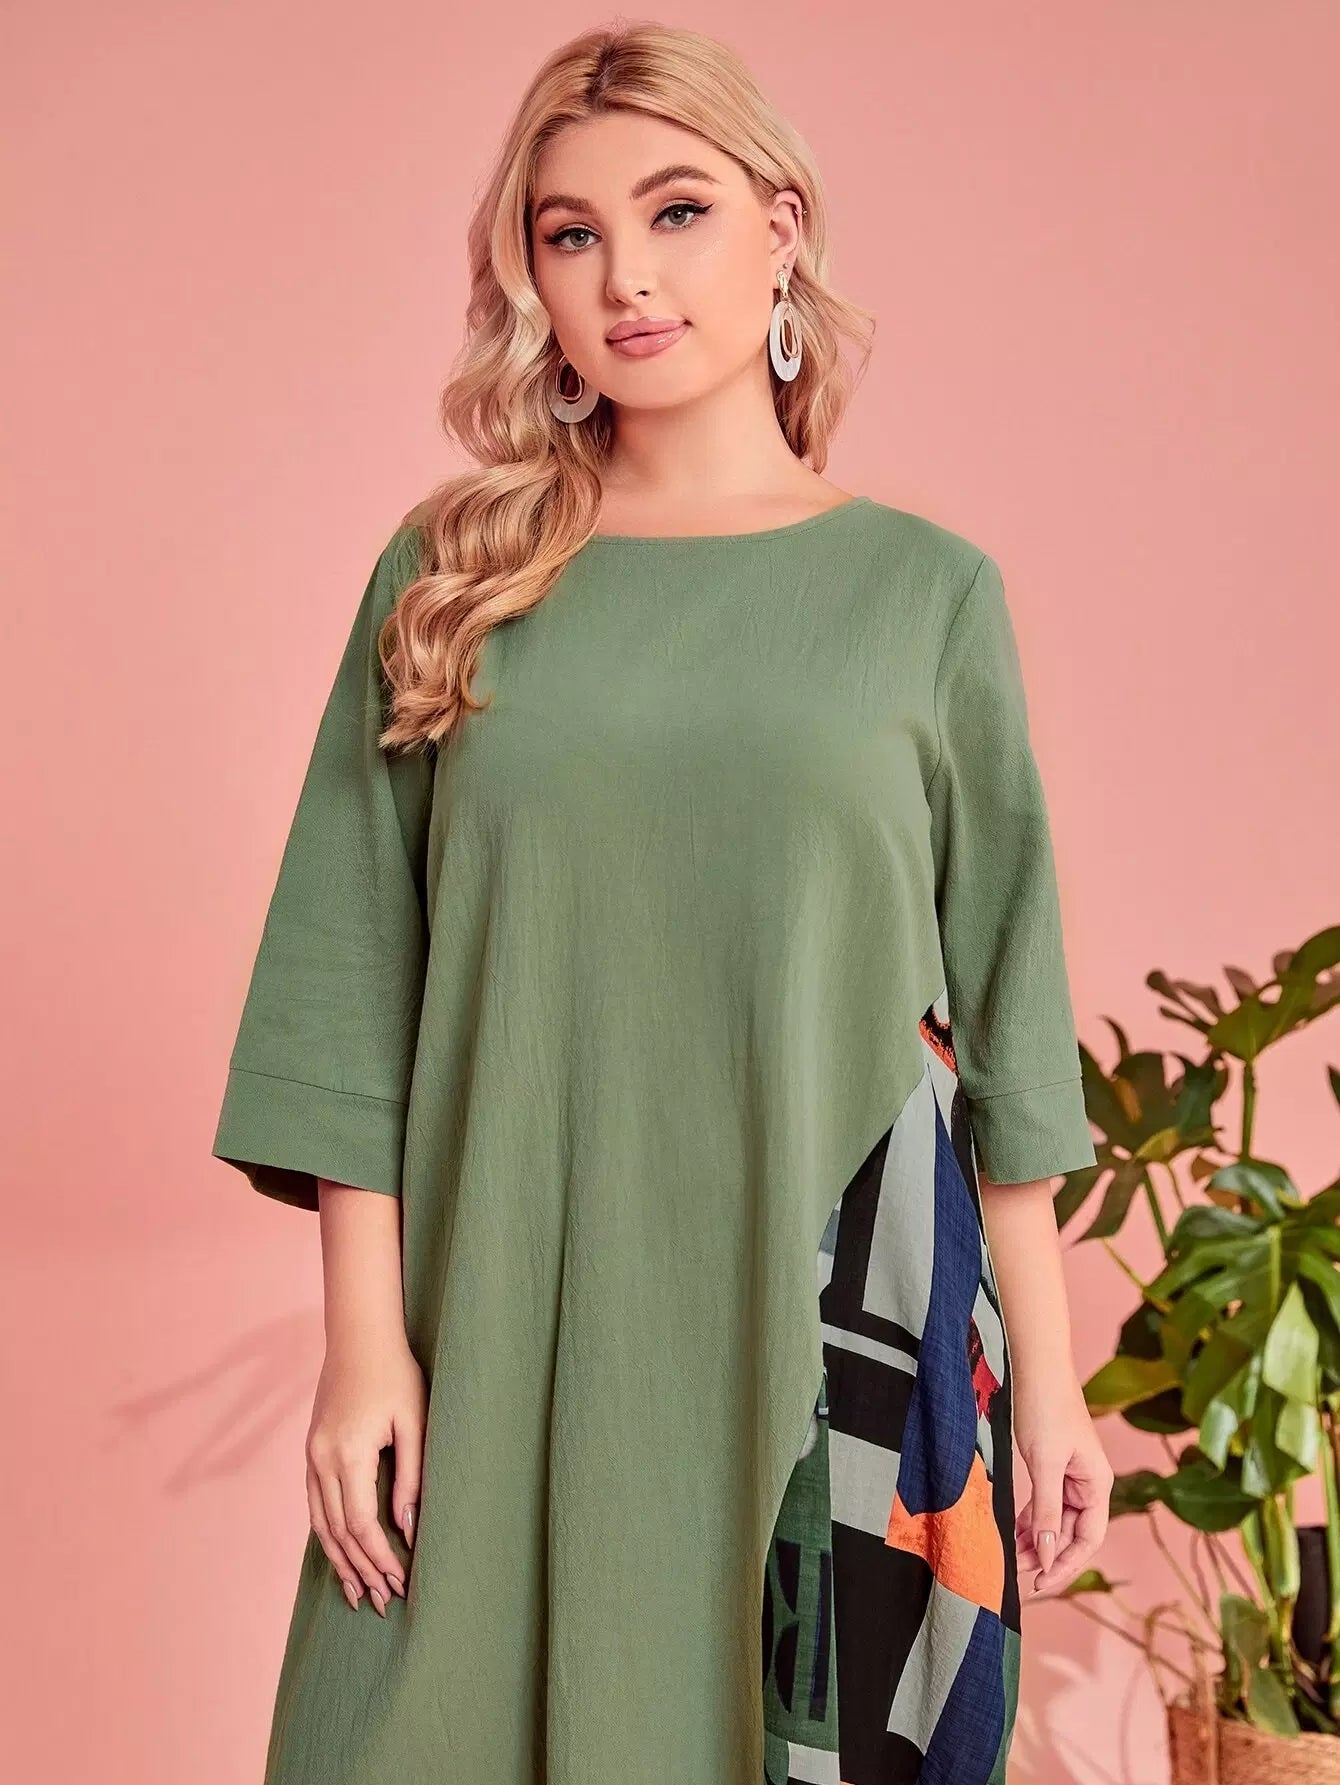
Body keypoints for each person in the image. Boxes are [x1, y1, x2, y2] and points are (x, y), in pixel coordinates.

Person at [210, 21, 1113, 1785]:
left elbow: (1006, 1025)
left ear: (782, 228)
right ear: (532, 275)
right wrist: (362, 1347)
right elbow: (348, 985)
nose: (626, 275)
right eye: (572, 233)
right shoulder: (452, 581)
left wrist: (1057, 1383)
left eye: (677, 211)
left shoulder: (925, 598)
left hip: (829, 1355)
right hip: (506, 1327)